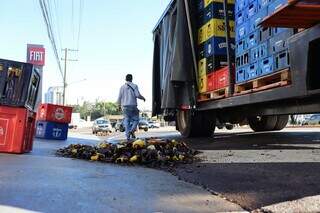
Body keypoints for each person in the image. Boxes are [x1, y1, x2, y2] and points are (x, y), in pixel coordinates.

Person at [117, 74, 146, 140]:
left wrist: (118, 106)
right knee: (136, 120)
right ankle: (132, 131)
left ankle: (128, 136)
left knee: (126, 121)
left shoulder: (122, 87)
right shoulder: (135, 86)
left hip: (125, 107)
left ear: (125, 79)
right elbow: (138, 95)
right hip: (133, 106)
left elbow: (119, 98)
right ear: (132, 79)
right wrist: (143, 98)